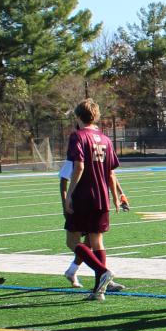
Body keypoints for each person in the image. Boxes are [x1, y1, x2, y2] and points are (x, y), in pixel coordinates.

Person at [62, 100, 128, 299]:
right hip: (101, 196)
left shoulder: (78, 136)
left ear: (77, 116)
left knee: (72, 242)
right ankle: (100, 289)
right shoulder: (105, 139)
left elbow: (79, 166)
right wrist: (116, 197)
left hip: (84, 196)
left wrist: (70, 194)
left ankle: (102, 272)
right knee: (97, 241)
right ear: (96, 116)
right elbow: (111, 173)